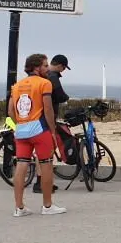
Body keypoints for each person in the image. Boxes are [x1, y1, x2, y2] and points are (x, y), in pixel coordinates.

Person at [9, 53, 66, 217]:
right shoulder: (44, 83)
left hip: (22, 130)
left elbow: (10, 111)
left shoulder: (17, 85)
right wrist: (53, 130)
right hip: (40, 129)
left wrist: (19, 123)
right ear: (36, 67)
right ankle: (47, 206)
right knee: (46, 165)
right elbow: (48, 109)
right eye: (45, 65)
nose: (48, 69)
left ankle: (19, 207)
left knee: (21, 166)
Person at [34, 54, 71, 194]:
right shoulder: (53, 76)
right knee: (45, 151)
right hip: (45, 118)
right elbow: (60, 96)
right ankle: (41, 183)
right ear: (61, 65)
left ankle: (44, 181)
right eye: (64, 68)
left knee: (41, 151)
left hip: (35, 116)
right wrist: (66, 98)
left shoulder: (41, 76)